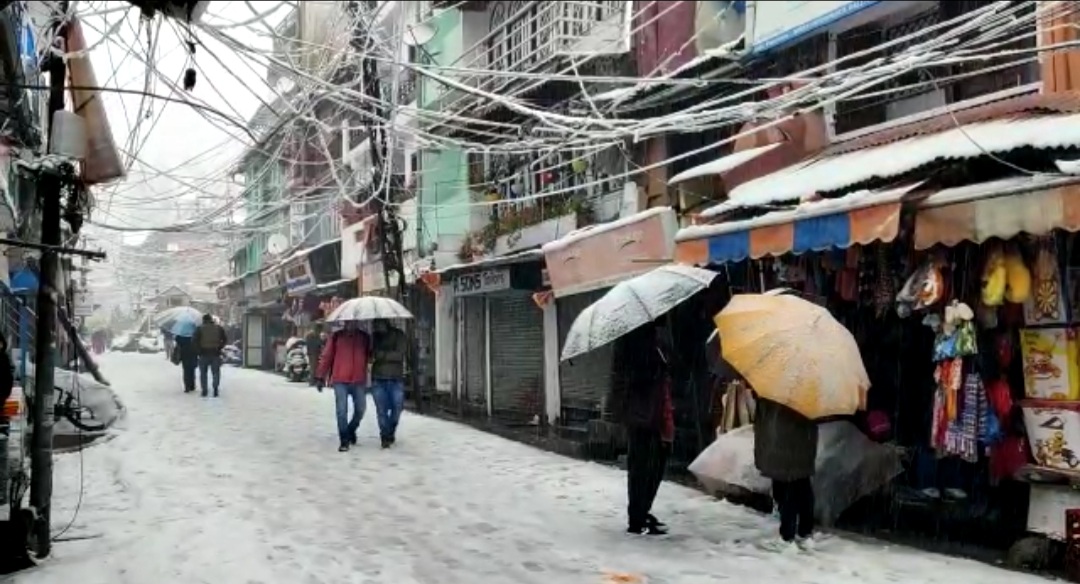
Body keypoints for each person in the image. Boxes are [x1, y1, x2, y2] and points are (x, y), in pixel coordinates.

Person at [614, 321, 674, 536]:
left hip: (652, 411)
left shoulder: (654, 339)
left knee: (653, 465)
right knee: (643, 467)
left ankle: (641, 511)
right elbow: (633, 377)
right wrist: (658, 365)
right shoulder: (634, 341)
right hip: (644, 414)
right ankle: (638, 516)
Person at [754, 397, 819, 543]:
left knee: (788, 487)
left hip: (784, 443)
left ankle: (788, 533)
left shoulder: (775, 389)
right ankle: (804, 529)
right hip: (802, 442)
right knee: (801, 484)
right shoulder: (810, 391)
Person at [316, 322, 371, 452]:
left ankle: (350, 430)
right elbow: (327, 357)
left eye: (354, 321)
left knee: (360, 409)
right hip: (340, 379)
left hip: (358, 379)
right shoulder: (336, 337)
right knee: (341, 411)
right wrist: (320, 376)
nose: (351, 324)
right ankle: (344, 440)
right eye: (348, 321)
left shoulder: (364, 338)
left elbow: (370, 355)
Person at [370, 320, 407, 448]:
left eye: (380, 323)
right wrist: (387, 354)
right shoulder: (374, 337)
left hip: (396, 378)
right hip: (378, 378)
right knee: (381, 410)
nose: (378, 326)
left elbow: (400, 355)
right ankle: (384, 436)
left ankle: (390, 430)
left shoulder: (399, 335)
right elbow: (372, 354)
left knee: (397, 408)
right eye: (376, 324)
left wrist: (382, 355)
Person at [193, 315, 228, 397]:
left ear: (204, 320)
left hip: (203, 353)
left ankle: (204, 390)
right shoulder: (219, 328)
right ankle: (215, 388)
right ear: (211, 320)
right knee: (215, 372)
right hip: (215, 353)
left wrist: (198, 350)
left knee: (203, 373)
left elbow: (194, 340)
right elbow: (225, 339)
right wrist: (219, 347)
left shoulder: (199, 329)